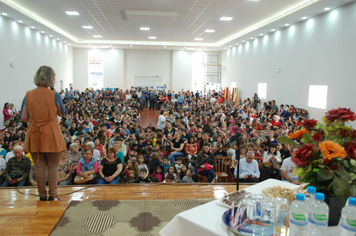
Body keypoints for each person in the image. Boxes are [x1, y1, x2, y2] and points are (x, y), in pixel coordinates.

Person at [20, 66, 66, 201]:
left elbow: (23, 117)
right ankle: (53, 195)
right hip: (52, 133)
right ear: (51, 78)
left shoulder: (28, 94)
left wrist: (36, 120)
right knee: (53, 167)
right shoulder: (54, 95)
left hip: (34, 133)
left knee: (39, 167)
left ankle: (42, 196)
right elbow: (61, 113)